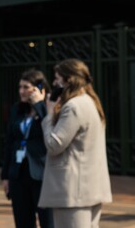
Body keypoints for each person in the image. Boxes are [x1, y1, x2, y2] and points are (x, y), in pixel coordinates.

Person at [39, 59, 112, 228]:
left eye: (57, 78)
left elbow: (53, 144)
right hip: (91, 187)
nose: (55, 82)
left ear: (68, 80)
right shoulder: (91, 102)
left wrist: (49, 115)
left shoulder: (72, 106)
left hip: (72, 191)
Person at [0, 69, 53, 228]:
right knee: (23, 220)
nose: (21, 91)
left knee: (48, 221)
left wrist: (39, 104)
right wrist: (6, 175)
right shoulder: (17, 109)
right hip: (19, 173)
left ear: (39, 89)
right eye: (20, 87)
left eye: (26, 87)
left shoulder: (48, 107)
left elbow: (51, 130)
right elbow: (9, 141)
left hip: (41, 173)